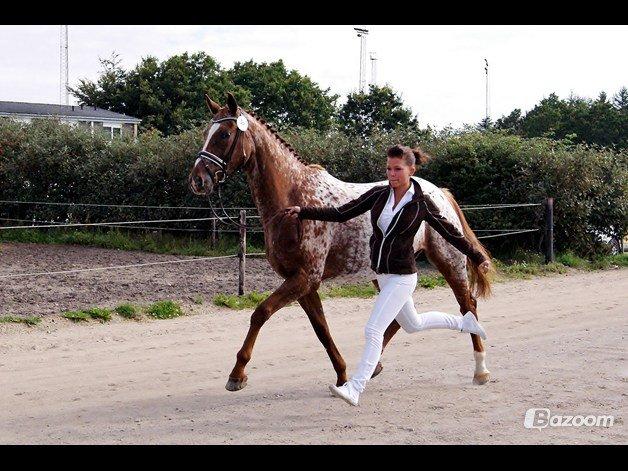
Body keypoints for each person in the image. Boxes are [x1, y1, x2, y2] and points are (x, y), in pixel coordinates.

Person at [284, 144, 492, 406]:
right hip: (382, 274)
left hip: (402, 277)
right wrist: (304, 211)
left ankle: (355, 388)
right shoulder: (379, 195)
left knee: (372, 330)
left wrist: (478, 257)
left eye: (398, 169)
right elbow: (341, 213)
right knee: (413, 324)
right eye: (389, 169)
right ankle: (467, 323)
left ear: (411, 170)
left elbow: (452, 233)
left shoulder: (421, 204)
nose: (392, 174)